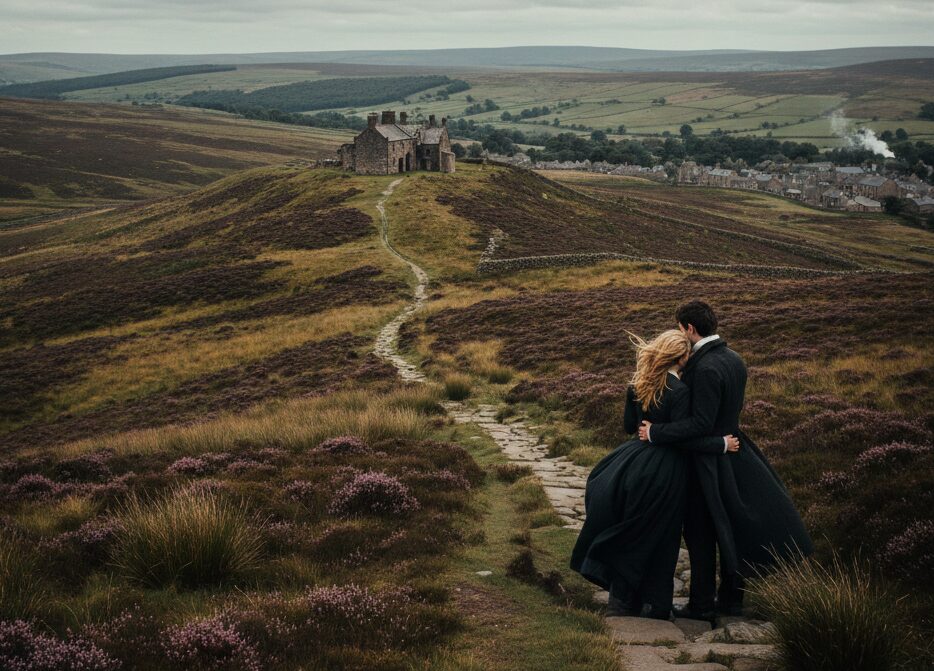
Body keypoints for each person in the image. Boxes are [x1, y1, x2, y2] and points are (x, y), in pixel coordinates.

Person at [639, 301, 813, 621]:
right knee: (734, 528)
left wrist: (656, 432)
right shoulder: (734, 358)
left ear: (690, 328)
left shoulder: (704, 368)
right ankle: (731, 601)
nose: (679, 333)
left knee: (700, 532)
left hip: (709, 459)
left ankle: (702, 605)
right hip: (735, 451)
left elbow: (700, 423)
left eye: (680, 328)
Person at [571, 330, 740, 620]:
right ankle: (654, 604)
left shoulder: (637, 385)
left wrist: (648, 429)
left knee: (634, 526)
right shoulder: (681, 391)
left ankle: (624, 598)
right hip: (665, 469)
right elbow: (684, 435)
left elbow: (628, 426)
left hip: (631, 461)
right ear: (682, 357)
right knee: (664, 536)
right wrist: (720, 444)